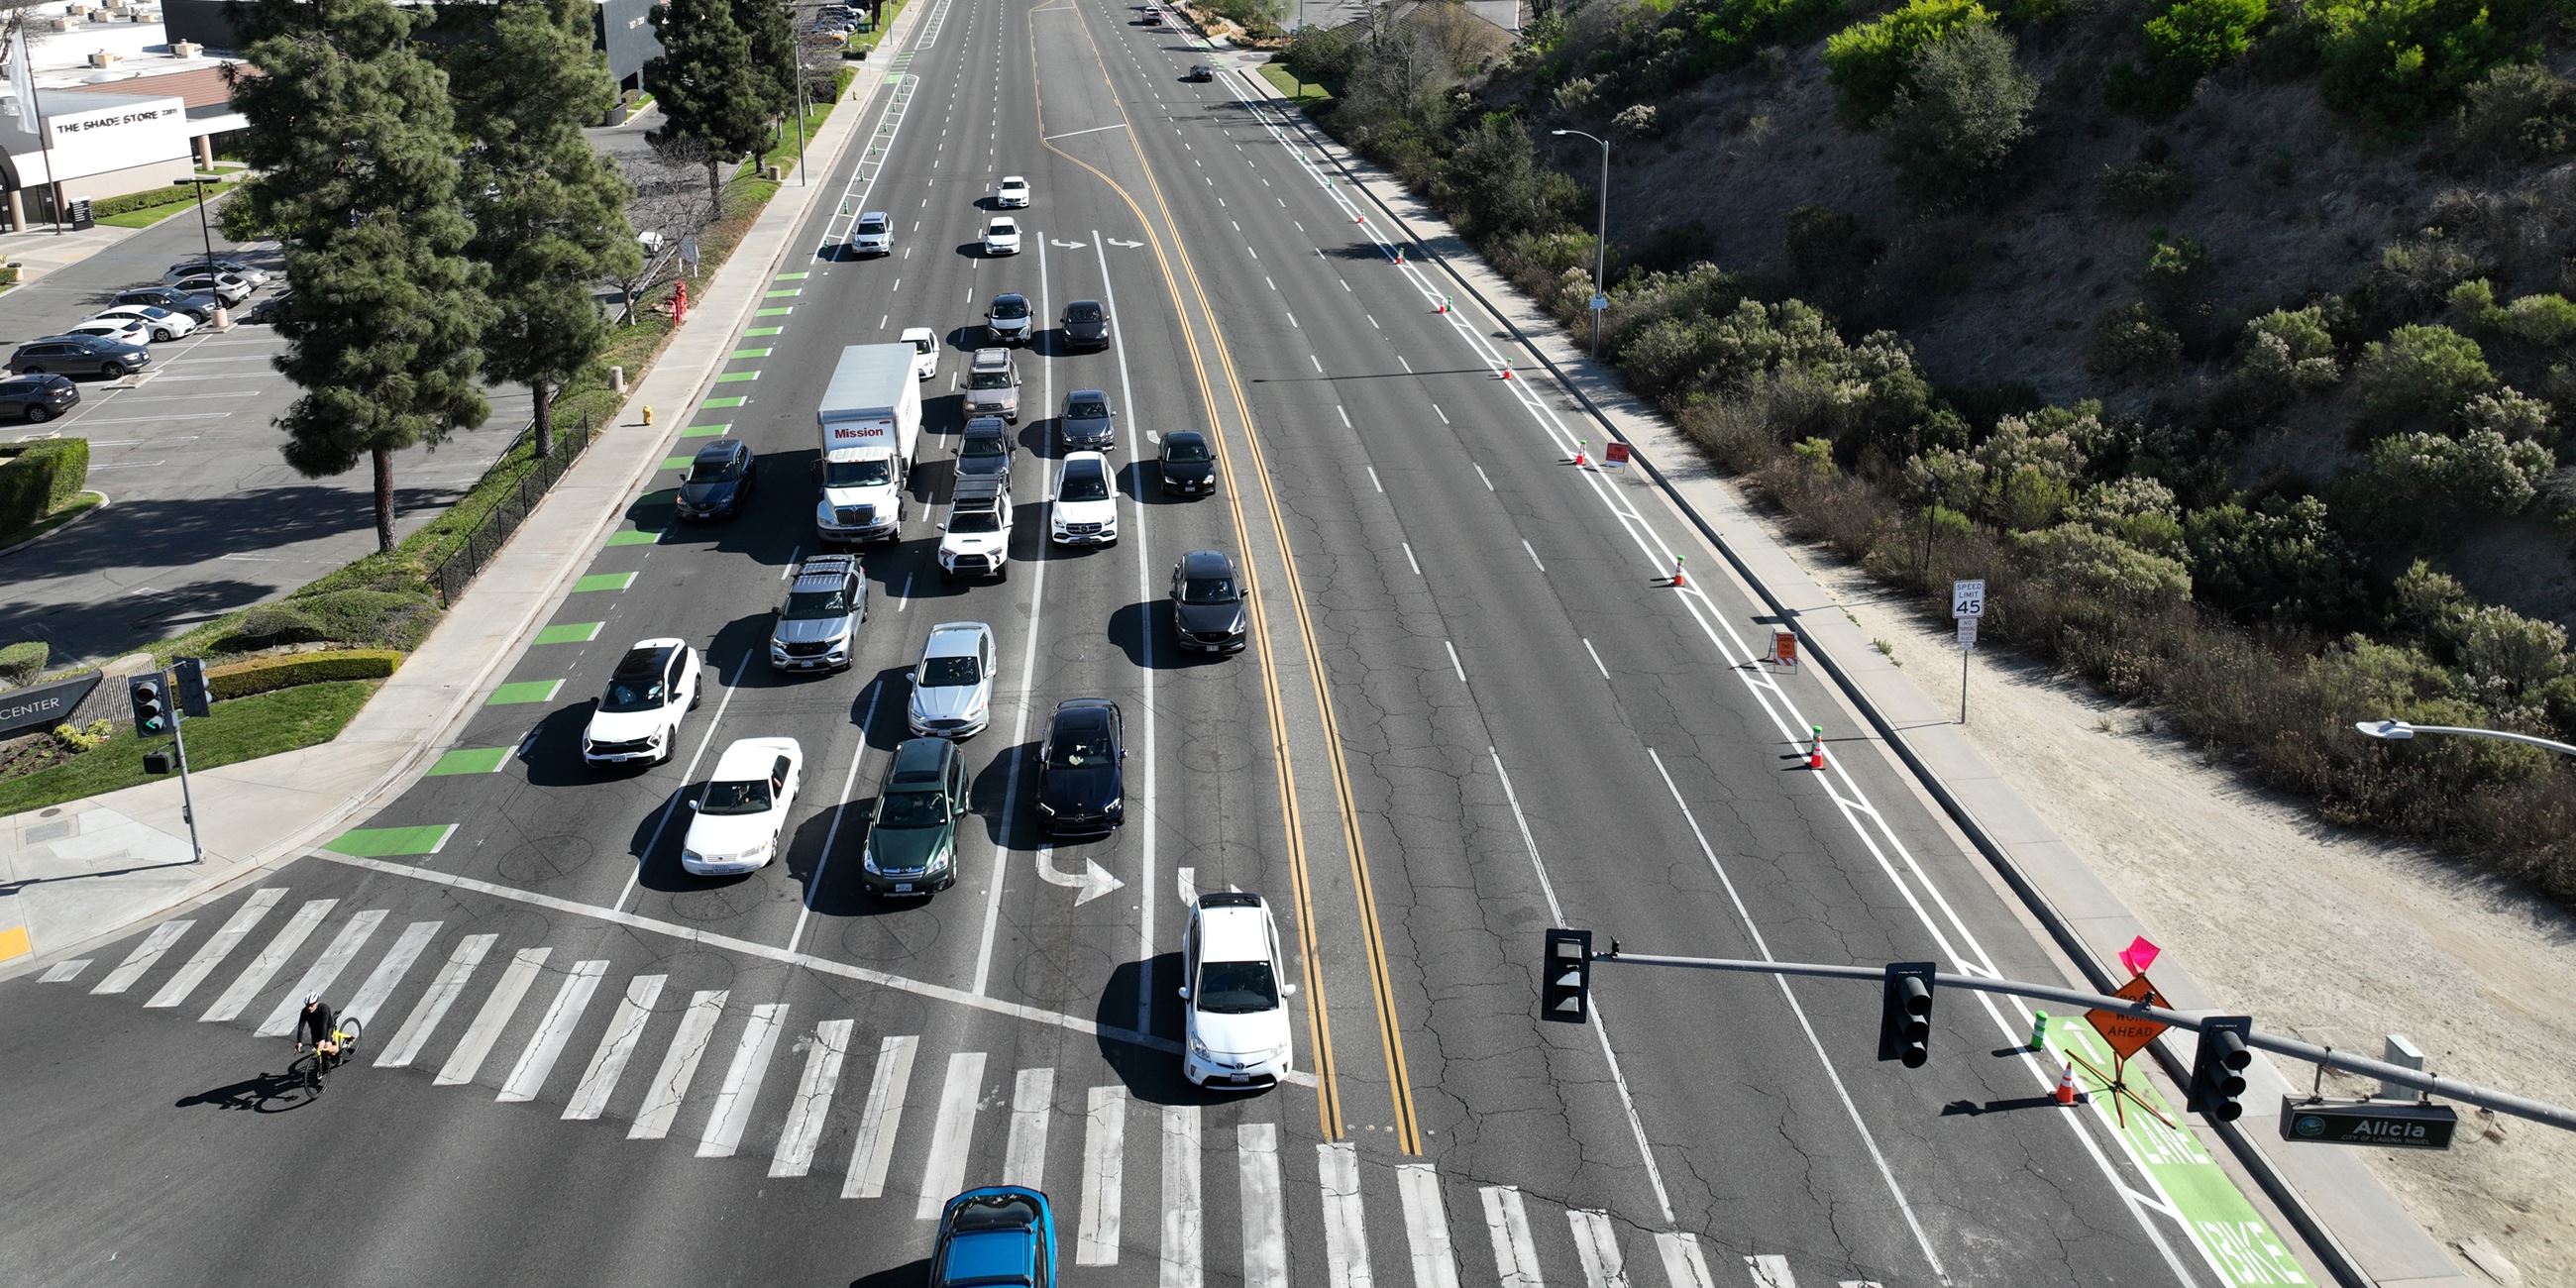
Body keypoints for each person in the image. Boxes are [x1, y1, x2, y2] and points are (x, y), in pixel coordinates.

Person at [294, 993, 340, 1074]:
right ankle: (325, 1062)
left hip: (327, 1027)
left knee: (327, 1047)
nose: (309, 1007)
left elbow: (324, 1024)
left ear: (316, 1003)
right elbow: (301, 1026)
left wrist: (323, 1039)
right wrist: (299, 1041)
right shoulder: (304, 1011)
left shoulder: (324, 1008)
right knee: (317, 1046)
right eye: (307, 1005)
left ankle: (338, 1053)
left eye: (311, 1005)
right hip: (315, 1029)